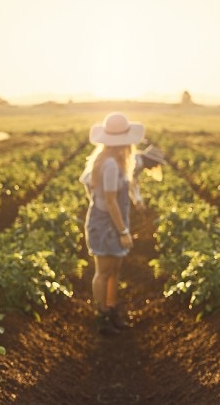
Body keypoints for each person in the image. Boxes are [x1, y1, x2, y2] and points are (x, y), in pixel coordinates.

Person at [82, 112, 146, 336]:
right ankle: (101, 318)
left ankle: (111, 309)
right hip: (105, 223)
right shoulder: (109, 164)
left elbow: (88, 185)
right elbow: (110, 201)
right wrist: (123, 231)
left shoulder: (116, 160)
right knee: (103, 270)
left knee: (114, 269)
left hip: (112, 219)